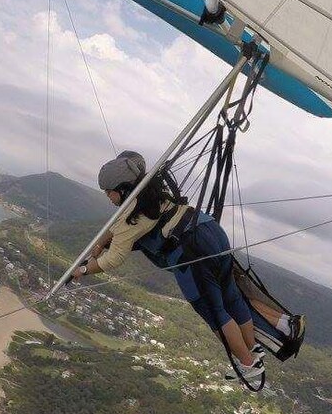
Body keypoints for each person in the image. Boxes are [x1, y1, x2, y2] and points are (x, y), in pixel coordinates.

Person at [71, 151, 264, 383]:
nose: (109, 198)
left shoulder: (132, 215)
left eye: (109, 193)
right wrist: (102, 242)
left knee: (214, 311)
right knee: (231, 298)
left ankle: (247, 363)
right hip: (209, 230)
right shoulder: (152, 190)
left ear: (121, 189)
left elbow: (114, 259)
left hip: (190, 251)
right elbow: (118, 230)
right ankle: (253, 350)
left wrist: (82, 271)